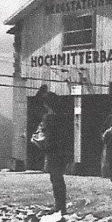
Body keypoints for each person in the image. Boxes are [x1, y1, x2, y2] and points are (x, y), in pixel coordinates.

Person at [30, 85, 69, 214]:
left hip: (52, 151)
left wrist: (41, 144)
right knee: (59, 178)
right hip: (62, 151)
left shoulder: (48, 117)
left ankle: (59, 206)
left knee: (55, 178)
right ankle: (61, 205)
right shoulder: (62, 116)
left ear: (47, 104)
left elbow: (46, 135)